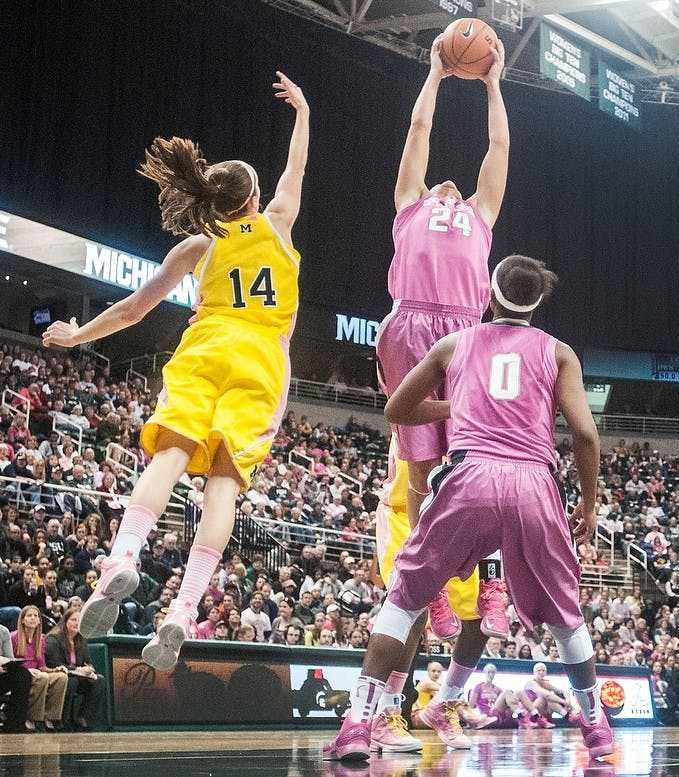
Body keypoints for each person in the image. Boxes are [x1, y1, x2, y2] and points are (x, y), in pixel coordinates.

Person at [43, 71, 309, 672]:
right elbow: (297, 166)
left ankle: (122, 559)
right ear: (253, 197)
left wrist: (78, 333)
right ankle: (182, 611)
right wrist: (302, 112)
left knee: (167, 456)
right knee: (223, 484)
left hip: (205, 344)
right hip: (262, 357)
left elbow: (135, 308)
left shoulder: (196, 248)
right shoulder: (278, 223)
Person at [323, 255, 614, 763]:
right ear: (538, 302)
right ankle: (596, 728)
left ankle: (357, 722)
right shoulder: (559, 351)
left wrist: (458, 405)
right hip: (533, 481)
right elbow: (586, 436)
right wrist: (588, 506)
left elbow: (397, 409)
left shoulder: (455, 343)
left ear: (488, 293)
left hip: (468, 474)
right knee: (567, 614)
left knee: (404, 600)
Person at [364, 32, 509, 755]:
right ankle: (437, 571)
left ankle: (482, 586)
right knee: (422, 470)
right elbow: (418, 130)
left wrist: (492, 87)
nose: (450, 182)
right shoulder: (410, 204)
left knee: (480, 471)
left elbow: (498, 154)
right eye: (438, 180)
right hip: (412, 325)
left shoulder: (482, 214)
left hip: (463, 331)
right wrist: (431, 73)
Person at [45, 609, 107, 730]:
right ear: (65, 622)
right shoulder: (53, 639)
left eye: (79, 621)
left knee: (99, 680)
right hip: (60, 674)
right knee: (71, 681)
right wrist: (77, 670)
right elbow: (53, 663)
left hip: (77, 676)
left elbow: (88, 661)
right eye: (73, 620)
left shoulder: (81, 640)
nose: (77, 623)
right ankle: (63, 719)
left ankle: (82, 717)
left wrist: (89, 669)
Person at [11, 605, 67, 732]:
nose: (32, 618)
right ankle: (33, 717)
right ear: (22, 620)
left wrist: (56, 670)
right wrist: (27, 671)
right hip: (22, 674)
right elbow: (11, 662)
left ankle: (50, 717)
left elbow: (42, 666)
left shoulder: (41, 639)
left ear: (39, 621)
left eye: (35, 616)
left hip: (38, 672)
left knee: (61, 677)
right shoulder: (14, 637)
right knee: (42, 677)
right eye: (29, 616)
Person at [0, 623, 33, 733]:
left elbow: (9, 659)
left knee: (23, 674)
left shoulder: (3, 631)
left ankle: (15, 724)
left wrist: (5, 664)